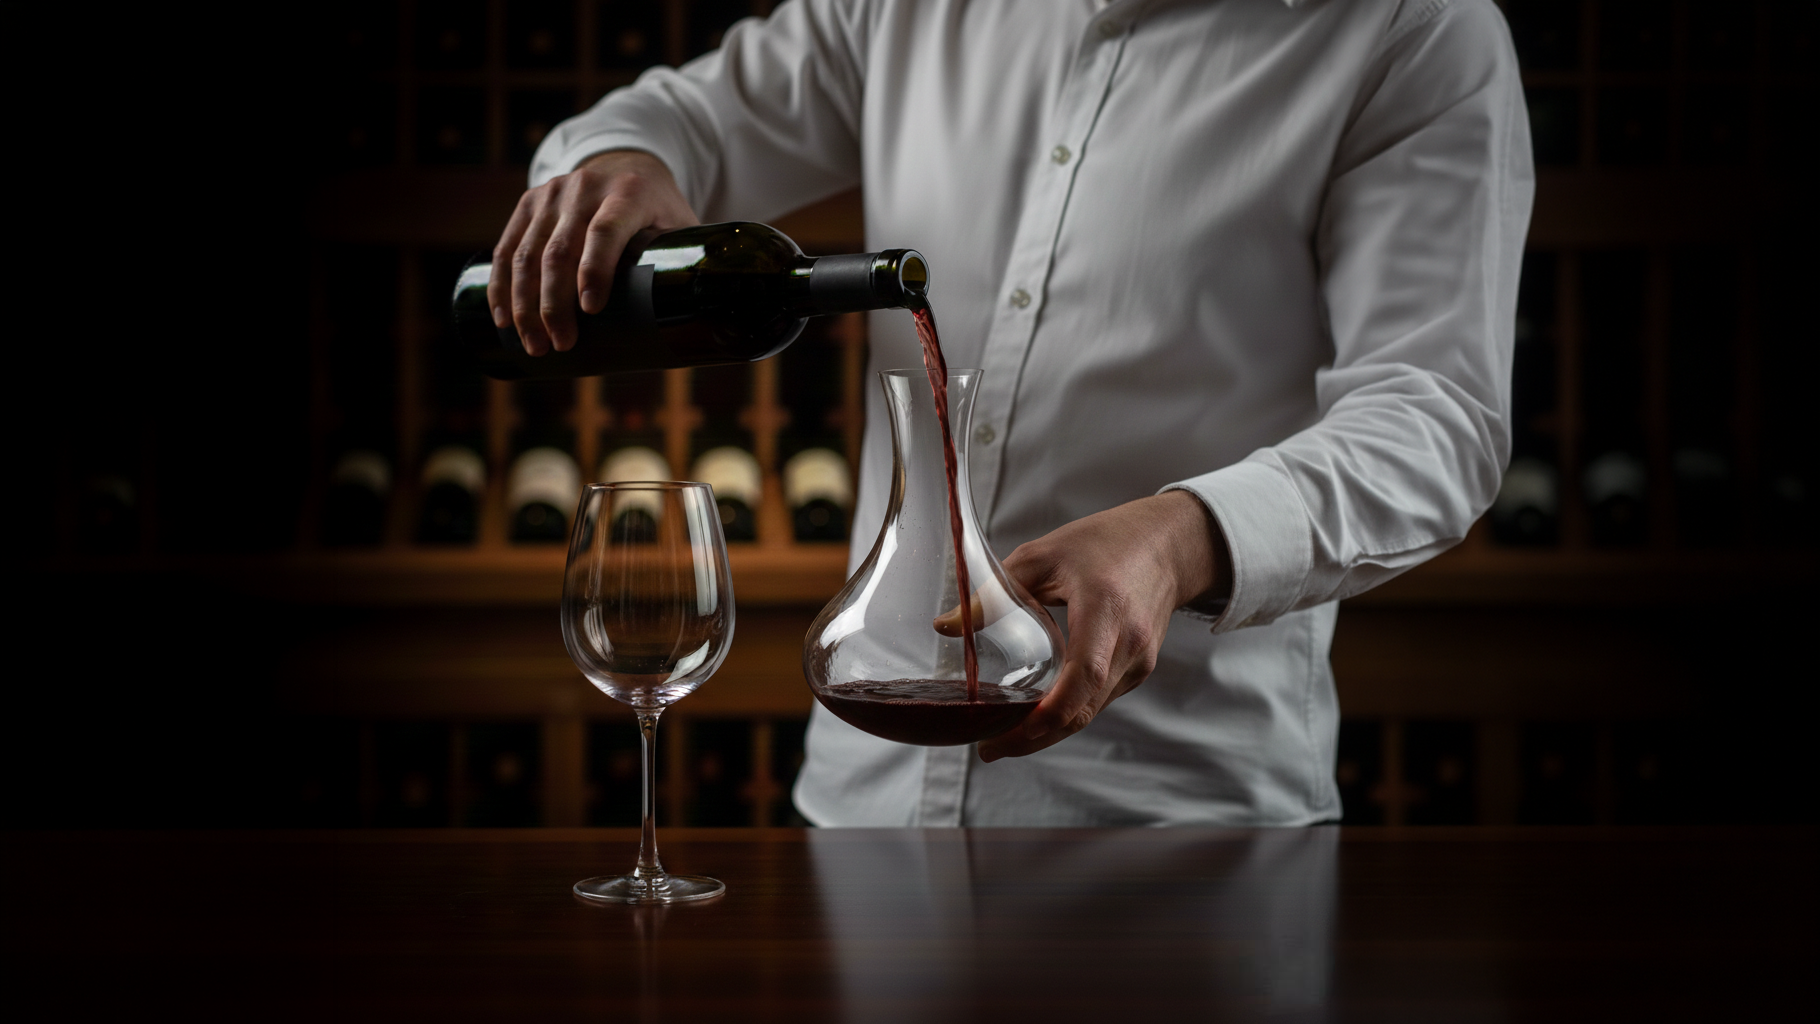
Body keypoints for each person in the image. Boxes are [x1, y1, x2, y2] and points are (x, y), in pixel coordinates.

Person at [489, 0, 1532, 826]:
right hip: (860, 807)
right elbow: (689, 118)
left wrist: (1179, 537)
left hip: (1178, 830)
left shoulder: (1413, 29)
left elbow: (1432, 413)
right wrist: (617, 163)